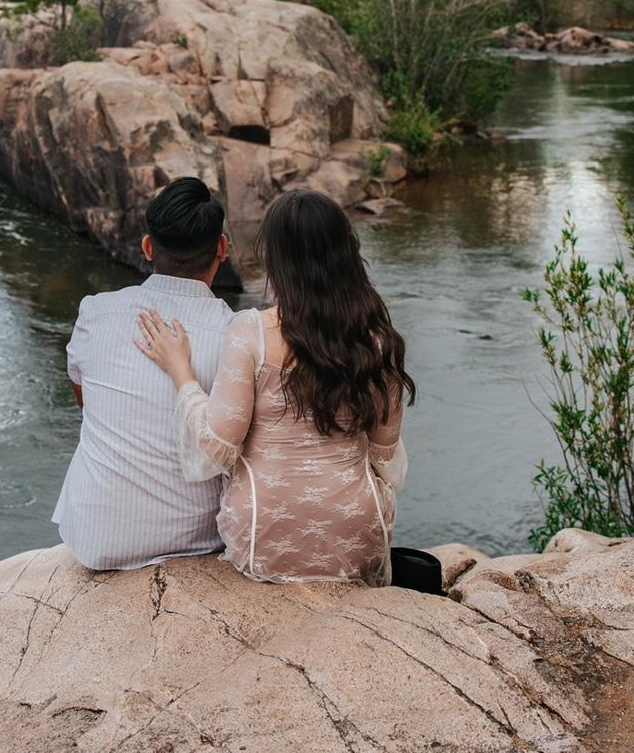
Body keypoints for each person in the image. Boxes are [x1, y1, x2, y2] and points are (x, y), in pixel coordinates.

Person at [135, 188, 414, 584]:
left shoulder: (251, 331)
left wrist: (181, 371)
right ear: (347, 252)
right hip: (355, 532)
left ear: (276, 260)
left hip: (264, 536)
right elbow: (385, 455)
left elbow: (218, 444)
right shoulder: (379, 341)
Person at [53, 177, 234, 570]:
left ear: (148, 247)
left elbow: (84, 399)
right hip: (199, 538)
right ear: (221, 249)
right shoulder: (236, 334)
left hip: (94, 537)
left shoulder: (95, 311)